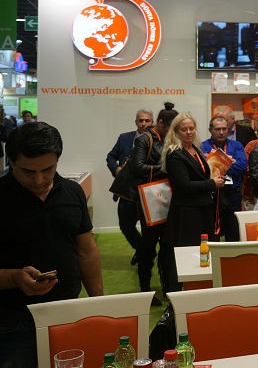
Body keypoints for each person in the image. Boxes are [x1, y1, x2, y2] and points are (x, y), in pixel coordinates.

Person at [0, 122, 103, 367]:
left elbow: (86, 251)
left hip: (67, 311)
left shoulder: (72, 192)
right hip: (12, 320)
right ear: (11, 162)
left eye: (48, 169)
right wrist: (14, 278)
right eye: (28, 171)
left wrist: (98, 304)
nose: (39, 179)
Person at [161, 113, 225, 291]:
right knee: (187, 253)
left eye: (191, 128)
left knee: (201, 252)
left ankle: (199, 287)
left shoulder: (195, 149)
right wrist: (212, 183)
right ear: (176, 132)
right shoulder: (175, 154)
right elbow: (184, 186)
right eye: (184, 129)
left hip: (202, 209)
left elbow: (199, 176)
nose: (189, 132)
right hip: (187, 213)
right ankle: (179, 292)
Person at [129, 103, 178, 304]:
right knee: (148, 248)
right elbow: (137, 167)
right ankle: (145, 291)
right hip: (150, 199)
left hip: (169, 198)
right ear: (161, 123)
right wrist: (166, 167)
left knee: (168, 247)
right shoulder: (145, 139)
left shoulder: (172, 139)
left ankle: (169, 287)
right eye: (172, 127)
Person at [106, 108, 153, 265]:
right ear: (136, 122)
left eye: (147, 120)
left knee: (149, 229)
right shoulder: (124, 138)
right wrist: (116, 169)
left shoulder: (157, 140)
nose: (144, 123)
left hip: (147, 192)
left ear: (152, 122)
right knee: (125, 226)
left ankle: (144, 254)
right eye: (141, 120)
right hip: (126, 191)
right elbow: (111, 156)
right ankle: (143, 250)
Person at [201, 116, 247, 241]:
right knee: (213, 232)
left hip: (232, 194)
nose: (221, 132)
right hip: (213, 195)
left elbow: (242, 165)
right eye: (217, 129)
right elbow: (205, 169)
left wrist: (216, 162)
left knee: (233, 232)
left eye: (224, 129)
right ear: (210, 130)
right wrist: (229, 161)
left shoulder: (236, 145)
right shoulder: (203, 146)